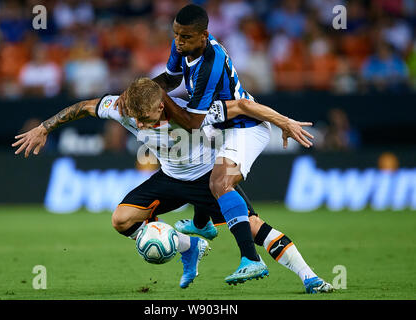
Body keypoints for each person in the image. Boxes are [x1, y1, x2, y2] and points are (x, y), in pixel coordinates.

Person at [12, 77, 333, 293]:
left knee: (254, 228)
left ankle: (310, 277)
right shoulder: (122, 107)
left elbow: (244, 107)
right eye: (136, 120)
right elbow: (83, 107)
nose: (142, 125)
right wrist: (45, 127)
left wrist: (284, 122)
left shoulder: (191, 111)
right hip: (169, 177)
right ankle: (187, 245)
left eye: (148, 118)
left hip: (208, 180)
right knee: (121, 219)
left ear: (161, 105)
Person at [116, 4, 314, 285]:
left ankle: (250, 259)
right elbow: (171, 79)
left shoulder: (211, 62)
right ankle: (202, 225)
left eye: (184, 37)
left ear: (204, 35)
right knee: (204, 172)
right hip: (216, 124)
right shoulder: (183, 47)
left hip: (243, 126)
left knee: (220, 183)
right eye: (176, 35)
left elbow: (205, 118)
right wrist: (139, 91)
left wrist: (285, 122)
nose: (178, 42)